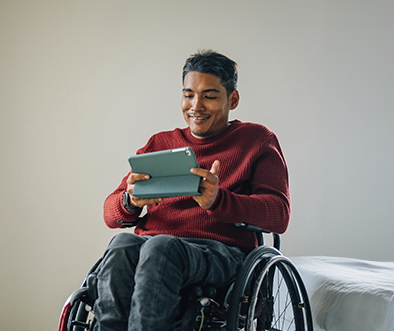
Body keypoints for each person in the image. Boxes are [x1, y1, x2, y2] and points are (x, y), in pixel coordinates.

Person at [95, 50, 290, 331]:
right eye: (188, 95)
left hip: (220, 251)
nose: (195, 106)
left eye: (209, 96)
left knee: (161, 248)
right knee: (122, 245)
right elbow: (110, 214)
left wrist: (219, 200)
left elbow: (279, 214)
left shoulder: (256, 140)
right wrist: (131, 200)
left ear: (232, 99)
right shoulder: (161, 143)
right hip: (154, 246)